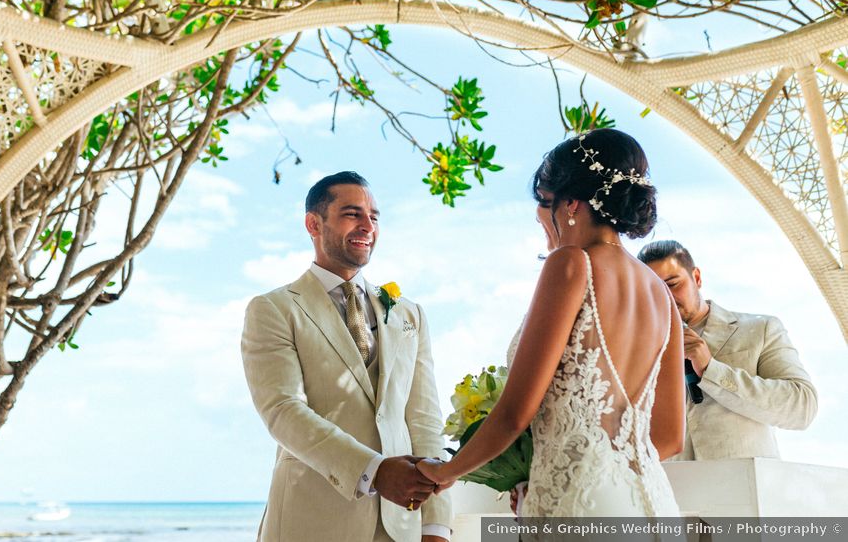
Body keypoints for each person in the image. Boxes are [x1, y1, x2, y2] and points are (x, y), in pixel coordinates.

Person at [417, 128, 686, 516]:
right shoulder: (661, 296)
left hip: (580, 505)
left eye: (544, 202)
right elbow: (669, 437)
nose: (540, 216)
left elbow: (514, 413)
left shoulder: (573, 264)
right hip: (651, 503)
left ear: (571, 204)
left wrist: (445, 472)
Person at [241, 172, 452, 542]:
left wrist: (435, 525)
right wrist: (374, 470)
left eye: (374, 216)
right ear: (313, 223)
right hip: (310, 521)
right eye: (352, 214)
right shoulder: (273, 309)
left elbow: (423, 419)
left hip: (400, 524)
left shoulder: (409, 314)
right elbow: (282, 410)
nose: (368, 225)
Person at [638, 240, 818, 460]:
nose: (666, 297)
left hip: (747, 486)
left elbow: (802, 408)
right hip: (672, 489)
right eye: (654, 289)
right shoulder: (635, 349)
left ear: (696, 278)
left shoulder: (760, 329)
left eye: (673, 284)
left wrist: (711, 370)